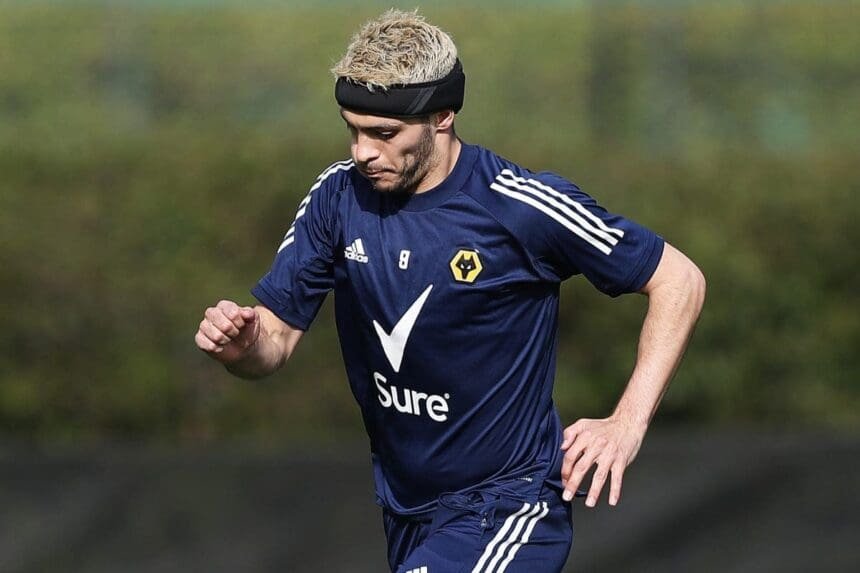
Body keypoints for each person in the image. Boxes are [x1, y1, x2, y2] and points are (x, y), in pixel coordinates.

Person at [194, 9, 705, 572]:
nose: (363, 151)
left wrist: (627, 422)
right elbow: (275, 339)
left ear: (442, 117)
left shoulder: (519, 207)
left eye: (384, 134)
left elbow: (679, 280)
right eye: (353, 129)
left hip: (508, 506)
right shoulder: (338, 199)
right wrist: (242, 350)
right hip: (407, 511)